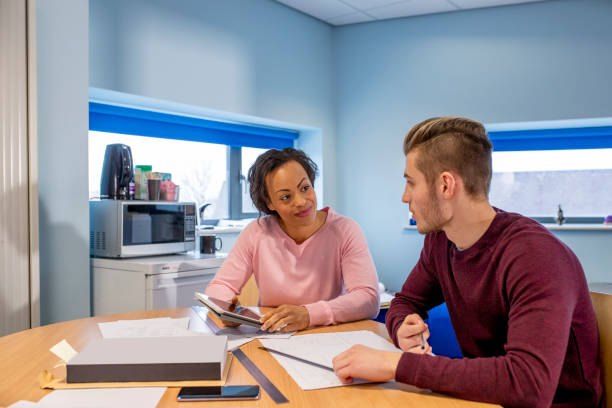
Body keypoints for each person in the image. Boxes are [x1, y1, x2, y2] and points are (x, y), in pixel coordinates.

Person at [332, 117, 603, 407]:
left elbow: (529, 385)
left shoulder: (536, 256)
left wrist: (395, 366)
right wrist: (402, 328)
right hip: (490, 399)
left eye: (411, 183)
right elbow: (405, 301)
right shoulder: (441, 241)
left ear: (446, 185)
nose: (404, 197)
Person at [205, 148, 380, 332]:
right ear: (269, 203)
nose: (301, 201)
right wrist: (227, 310)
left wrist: (308, 314)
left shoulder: (346, 230)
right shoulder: (256, 232)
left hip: (328, 333)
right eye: (286, 197)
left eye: (305, 188)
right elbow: (219, 287)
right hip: (274, 335)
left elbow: (368, 298)